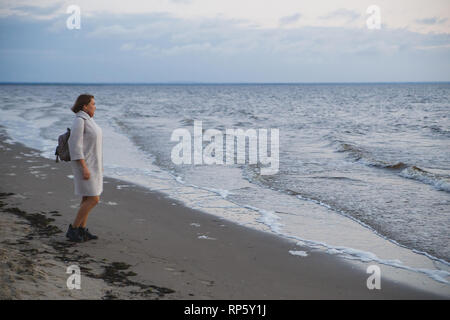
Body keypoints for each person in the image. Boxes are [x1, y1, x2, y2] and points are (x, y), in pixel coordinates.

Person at [66, 94, 103, 242]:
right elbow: (75, 146)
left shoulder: (89, 120)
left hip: (93, 164)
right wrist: (84, 167)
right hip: (84, 165)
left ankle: (81, 230)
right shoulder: (79, 121)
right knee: (94, 199)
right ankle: (73, 229)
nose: (95, 106)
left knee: (87, 197)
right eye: (93, 104)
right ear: (84, 106)